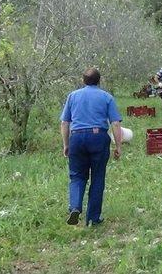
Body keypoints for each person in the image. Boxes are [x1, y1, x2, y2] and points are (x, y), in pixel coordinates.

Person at [60, 68, 122, 226]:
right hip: (98, 138)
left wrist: (66, 144)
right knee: (97, 177)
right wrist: (118, 146)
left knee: (76, 176)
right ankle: (93, 218)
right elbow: (115, 123)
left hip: (77, 137)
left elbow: (65, 122)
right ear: (99, 81)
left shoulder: (73, 96)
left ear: (83, 81)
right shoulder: (106, 97)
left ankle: (75, 207)